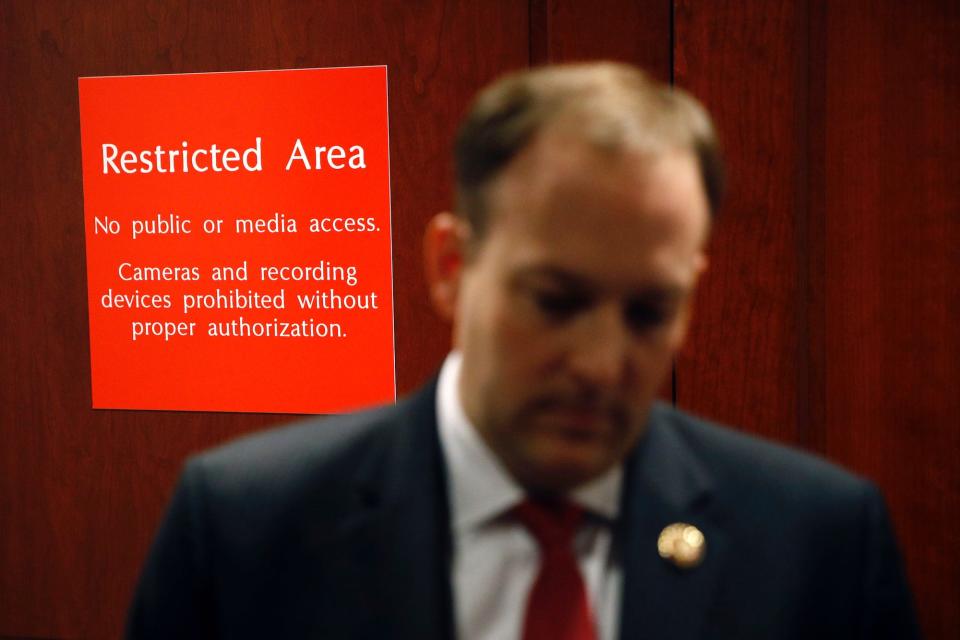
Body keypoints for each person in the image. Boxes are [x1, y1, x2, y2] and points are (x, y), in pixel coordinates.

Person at [126, 63, 919, 639]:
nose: (602, 364)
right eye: (555, 301)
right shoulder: (245, 528)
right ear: (450, 267)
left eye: (650, 311)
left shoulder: (819, 543)